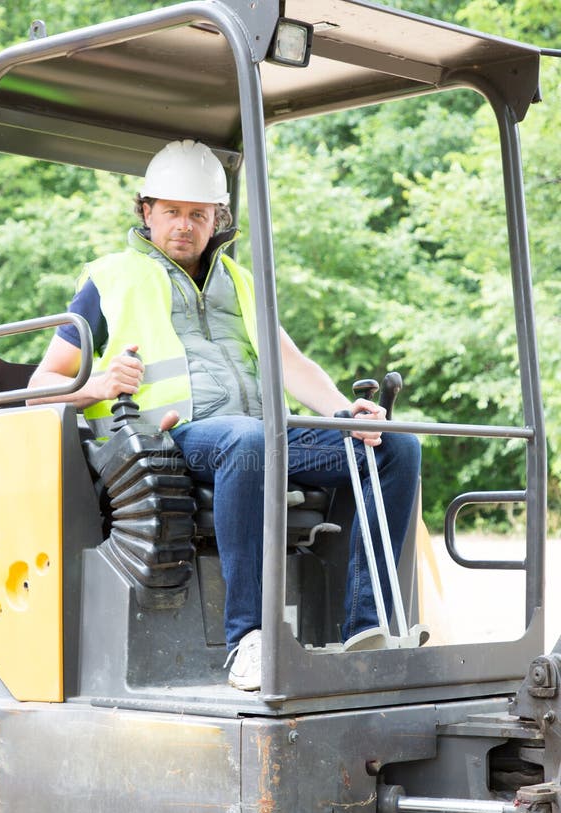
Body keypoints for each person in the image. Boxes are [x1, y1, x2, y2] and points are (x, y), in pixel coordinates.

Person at [28, 139, 421, 691]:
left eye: (198, 214)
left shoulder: (240, 282)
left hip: (259, 437)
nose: (184, 226)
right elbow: (38, 387)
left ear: (217, 219)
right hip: (171, 440)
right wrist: (96, 382)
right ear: (146, 211)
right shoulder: (109, 281)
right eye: (171, 212)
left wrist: (341, 413)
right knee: (249, 441)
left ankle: (367, 625)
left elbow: (292, 363)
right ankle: (248, 639)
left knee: (392, 446)